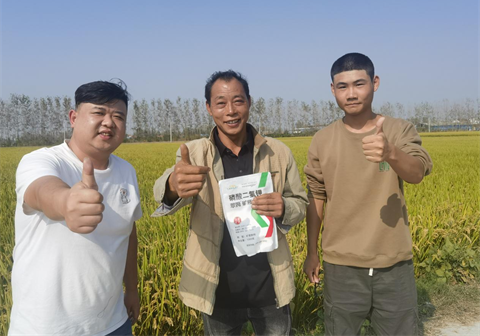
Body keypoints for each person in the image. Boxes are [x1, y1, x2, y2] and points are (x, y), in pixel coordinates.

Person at [152, 70, 308, 336]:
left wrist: (284, 206)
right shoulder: (196, 153)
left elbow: (301, 204)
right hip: (218, 289)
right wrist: (172, 186)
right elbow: (162, 190)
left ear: (249, 102)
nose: (231, 111)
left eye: (238, 101)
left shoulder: (278, 152)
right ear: (209, 108)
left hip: (269, 286)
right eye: (221, 103)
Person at [303, 53, 433, 336]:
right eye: (342, 86)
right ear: (332, 90)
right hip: (341, 266)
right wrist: (311, 252)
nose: (351, 94)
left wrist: (390, 152)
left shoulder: (398, 130)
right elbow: (316, 198)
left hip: (393, 264)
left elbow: (417, 173)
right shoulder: (322, 140)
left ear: (375, 83)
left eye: (359, 84)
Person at [9, 81, 142, 336]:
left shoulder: (126, 171)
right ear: (73, 117)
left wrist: (133, 289)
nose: (109, 122)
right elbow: (42, 191)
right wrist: (66, 201)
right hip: (47, 329)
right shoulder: (42, 161)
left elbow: (128, 233)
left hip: (114, 324)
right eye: (98, 112)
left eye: (118, 116)